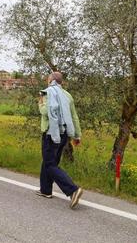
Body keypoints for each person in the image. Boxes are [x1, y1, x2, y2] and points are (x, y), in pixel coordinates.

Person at [36, 72, 83, 209]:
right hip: (64, 134)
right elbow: (74, 117)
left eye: (48, 78)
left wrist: (40, 102)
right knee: (50, 161)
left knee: (50, 164)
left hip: (52, 132)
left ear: (51, 80)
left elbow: (45, 112)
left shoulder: (46, 93)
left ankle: (73, 190)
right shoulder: (67, 95)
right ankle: (45, 190)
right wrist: (77, 135)